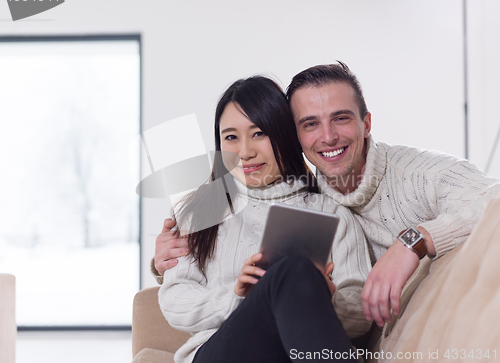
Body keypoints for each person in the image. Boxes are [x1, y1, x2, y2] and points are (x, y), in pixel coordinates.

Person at [154, 62, 500, 331]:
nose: (328, 136)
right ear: (295, 136)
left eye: (341, 118)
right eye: (310, 124)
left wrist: (413, 241)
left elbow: (494, 199)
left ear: (366, 123)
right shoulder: (296, 195)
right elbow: (188, 283)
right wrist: (165, 262)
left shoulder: (412, 178)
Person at [158, 76, 372, 363]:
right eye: (231, 137)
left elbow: (360, 317)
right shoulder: (199, 212)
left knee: (295, 272)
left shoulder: (333, 214)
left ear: (284, 135)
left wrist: (323, 296)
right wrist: (235, 296)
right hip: (218, 353)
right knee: (292, 269)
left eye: (259, 133)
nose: (245, 152)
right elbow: (174, 302)